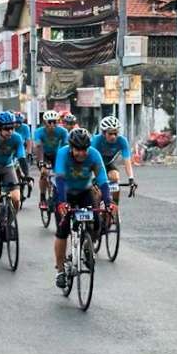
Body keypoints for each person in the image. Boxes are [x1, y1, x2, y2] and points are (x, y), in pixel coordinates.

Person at [52, 128, 110, 289]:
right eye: (78, 149)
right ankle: (61, 270)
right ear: (71, 147)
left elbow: (103, 180)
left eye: (84, 149)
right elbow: (61, 179)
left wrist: (108, 201)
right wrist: (63, 203)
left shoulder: (94, 155)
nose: (81, 153)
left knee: (97, 222)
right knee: (62, 230)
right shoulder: (63, 154)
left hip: (84, 192)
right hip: (64, 193)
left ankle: (86, 245)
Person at [0, 111, 30, 241]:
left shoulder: (16, 138)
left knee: (16, 199)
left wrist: (27, 176)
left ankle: (7, 224)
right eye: (7, 128)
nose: (10, 131)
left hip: (8, 167)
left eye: (12, 128)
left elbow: (21, 157)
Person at [91, 116, 137, 211]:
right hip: (95, 166)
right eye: (110, 133)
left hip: (108, 164)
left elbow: (127, 161)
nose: (113, 137)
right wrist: (92, 177)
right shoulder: (96, 140)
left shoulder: (122, 141)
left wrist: (131, 178)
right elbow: (90, 160)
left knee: (115, 177)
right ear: (104, 133)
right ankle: (96, 211)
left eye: (115, 133)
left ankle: (114, 206)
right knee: (97, 192)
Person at [34, 110, 69, 210]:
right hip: (43, 154)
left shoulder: (62, 131)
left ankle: (57, 193)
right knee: (44, 173)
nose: (52, 124)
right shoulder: (39, 132)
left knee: (60, 174)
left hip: (57, 155)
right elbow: (38, 146)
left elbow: (65, 146)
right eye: (50, 122)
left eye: (55, 122)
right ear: (45, 123)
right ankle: (42, 198)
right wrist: (41, 162)